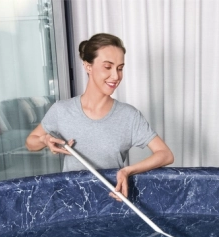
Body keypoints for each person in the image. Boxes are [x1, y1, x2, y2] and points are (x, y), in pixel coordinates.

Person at [25, 33, 174, 201]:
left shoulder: (129, 116)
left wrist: (127, 171)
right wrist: (44, 140)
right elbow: (31, 142)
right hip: (71, 202)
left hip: (111, 203)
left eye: (120, 68)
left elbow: (165, 154)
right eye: (108, 67)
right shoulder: (61, 110)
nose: (116, 76)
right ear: (88, 66)